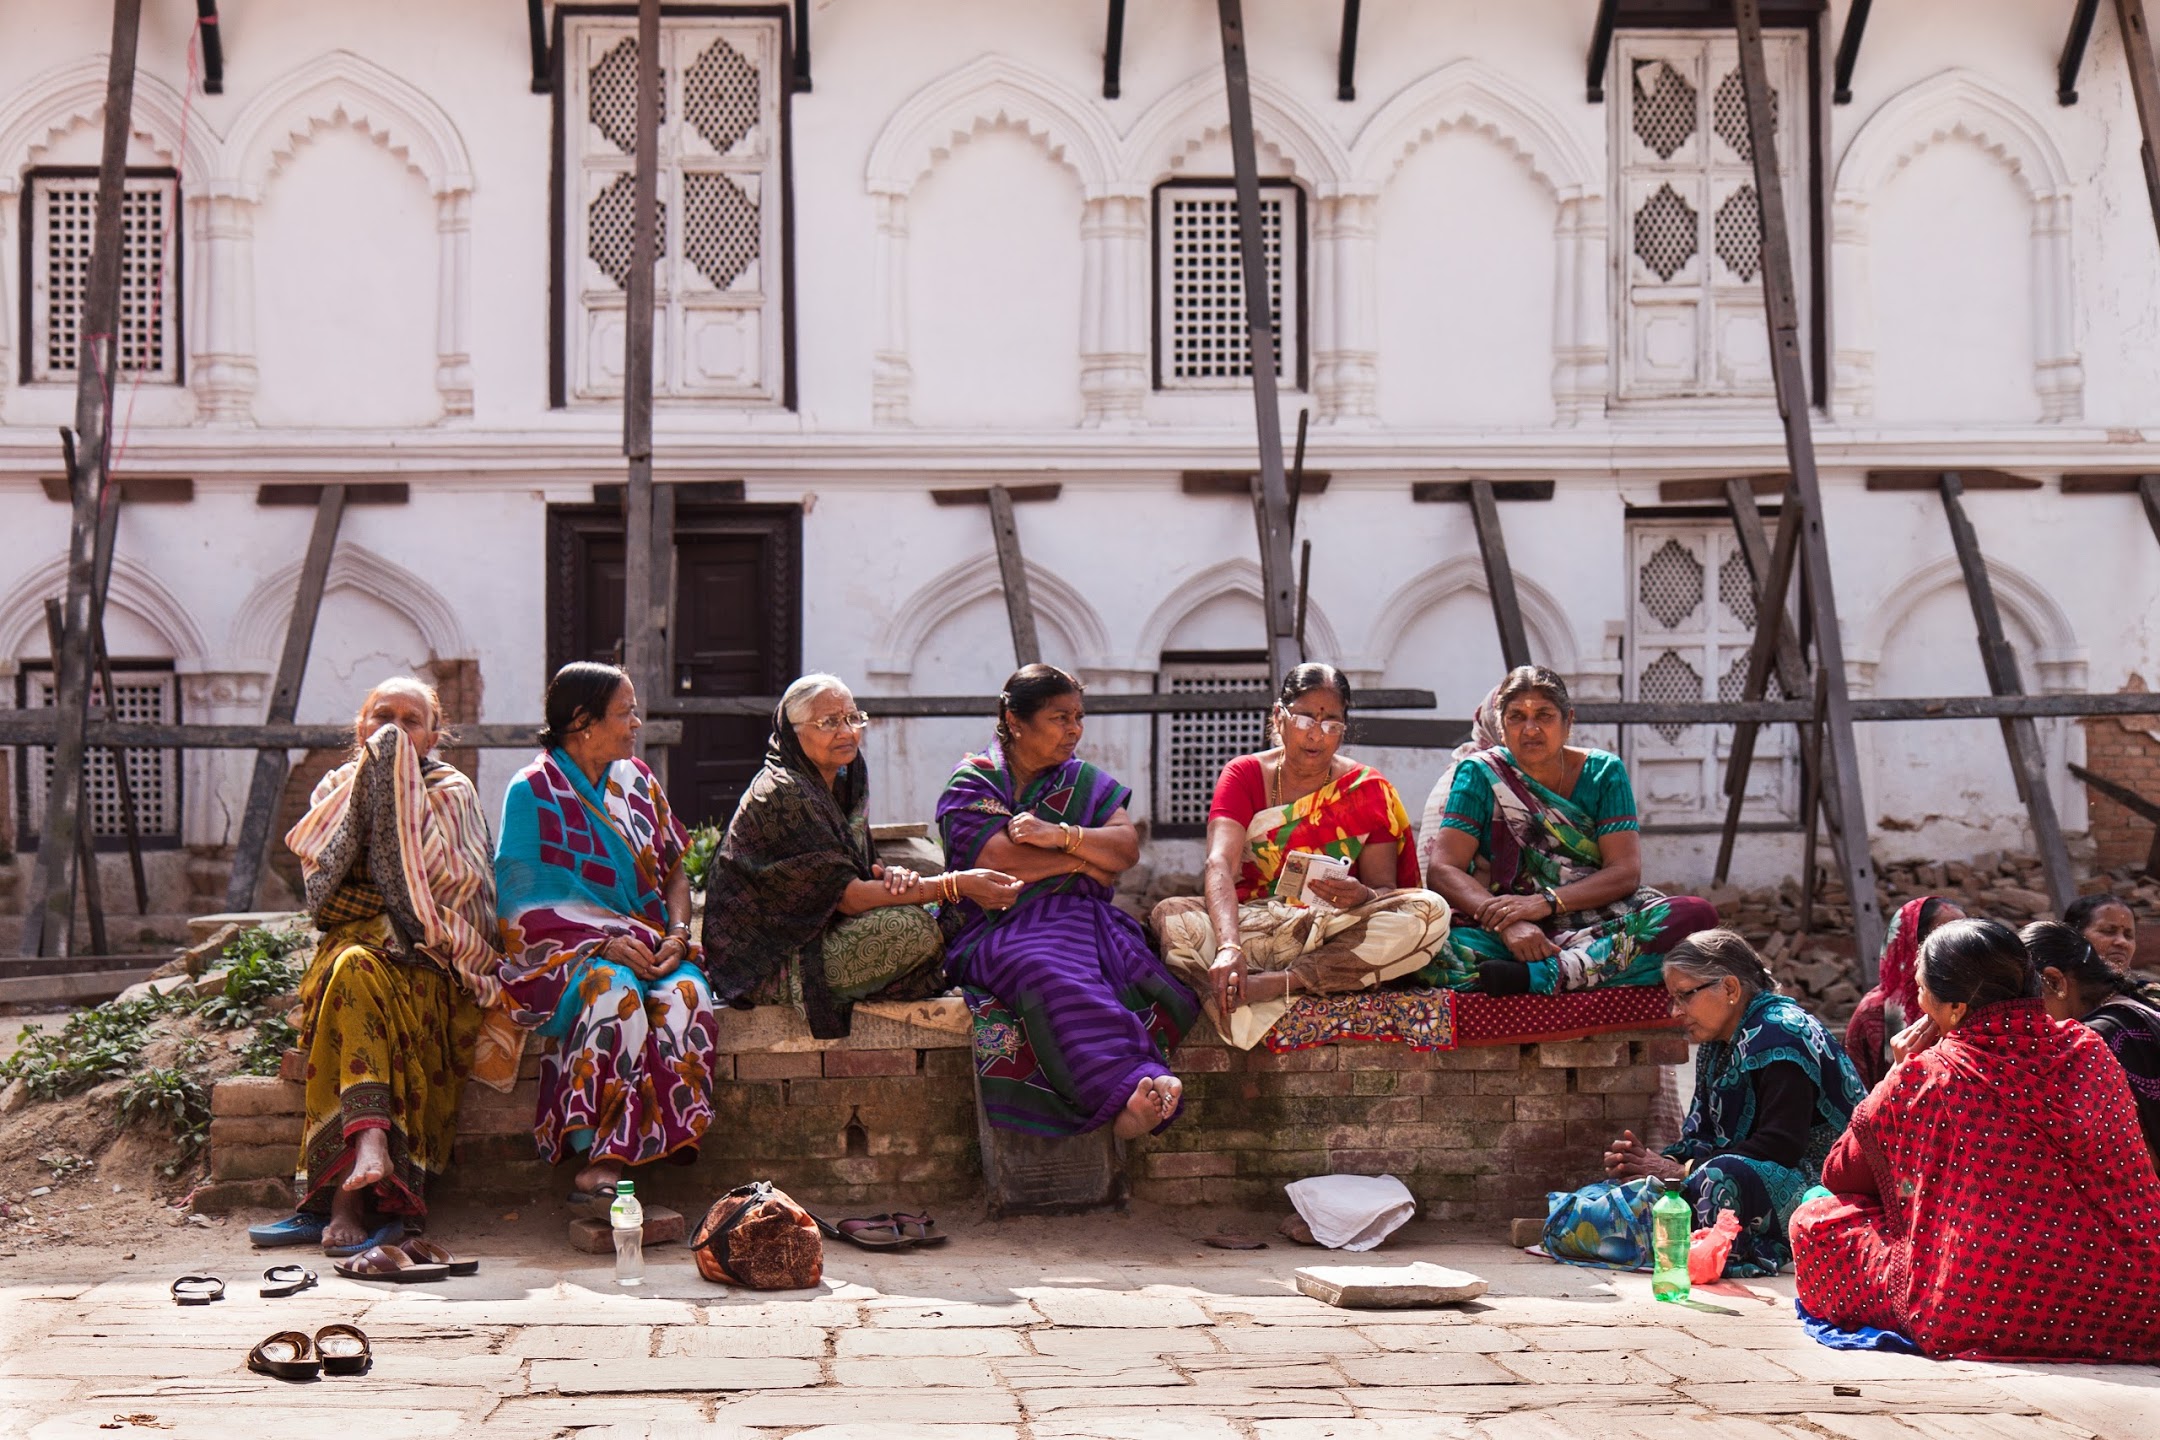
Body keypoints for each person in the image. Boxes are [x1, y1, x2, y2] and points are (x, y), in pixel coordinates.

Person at [1792, 918, 2160, 1361]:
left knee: (1816, 1218)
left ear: (1956, 1010)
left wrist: (1897, 1073)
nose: (1920, 1004)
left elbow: (1840, 1174)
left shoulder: (1927, 1073)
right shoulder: (2087, 1047)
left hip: (1979, 1302)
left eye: (1923, 991)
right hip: (2132, 1298)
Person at [258, 677, 517, 1255]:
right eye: (383, 717)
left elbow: (462, 887)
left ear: (434, 736)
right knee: (353, 970)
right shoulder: (334, 790)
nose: (395, 730)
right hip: (354, 957)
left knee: (354, 984)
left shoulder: (453, 793)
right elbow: (326, 895)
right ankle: (368, 1163)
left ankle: (340, 1198)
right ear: (360, 728)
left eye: (412, 720)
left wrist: (396, 844)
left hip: (431, 965)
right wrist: (396, 886)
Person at [936, 664, 1200, 1139]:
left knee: (1124, 971)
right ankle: (1123, 1091)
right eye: (1060, 718)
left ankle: (1136, 1087)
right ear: (1016, 720)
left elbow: (1124, 849)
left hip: (1079, 917)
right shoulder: (975, 780)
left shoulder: (1082, 780)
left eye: (1079, 717)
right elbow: (997, 859)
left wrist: (1057, 834)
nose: (1074, 729)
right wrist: (1083, 862)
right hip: (998, 926)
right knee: (1045, 969)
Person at [495, 662, 714, 1205]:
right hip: (572, 954)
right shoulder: (532, 792)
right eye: (625, 712)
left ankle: (665, 1138)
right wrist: (599, 943)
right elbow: (524, 902)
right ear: (583, 722)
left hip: (652, 942)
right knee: (615, 993)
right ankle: (604, 1156)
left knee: (686, 995)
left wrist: (679, 934)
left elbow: (674, 870)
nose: (636, 722)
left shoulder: (637, 780)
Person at [702, 673, 1023, 1035]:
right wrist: (954, 884)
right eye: (829, 722)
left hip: (825, 927)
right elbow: (850, 897)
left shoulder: (842, 778)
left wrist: (888, 875)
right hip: (774, 958)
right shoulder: (782, 791)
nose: (847, 731)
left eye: (853, 718)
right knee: (913, 929)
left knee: (944, 916)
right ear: (794, 732)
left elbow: (855, 869)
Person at [1152, 663, 1450, 1048]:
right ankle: (1263, 975)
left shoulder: (1368, 788)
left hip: (1330, 929)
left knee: (1429, 912)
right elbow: (1218, 864)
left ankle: (1276, 985)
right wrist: (1229, 945)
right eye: (1306, 718)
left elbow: (1383, 890)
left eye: (1332, 725)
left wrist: (1363, 897)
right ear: (1280, 717)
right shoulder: (1243, 774)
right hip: (1253, 928)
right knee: (1170, 918)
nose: (1317, 735)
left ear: (1344, 729)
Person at [1418, 666, 1717, 994]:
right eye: (1517, 717)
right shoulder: (1478, 773)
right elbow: (1444, 868)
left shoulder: (1604, 772)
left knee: (1694, 917)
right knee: (1428, 951)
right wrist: (1510, 923)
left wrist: (1545, 902)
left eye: (1544, 715)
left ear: (1568, 721)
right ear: (1502, 728)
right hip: (1509, 926)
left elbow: (1624, 872)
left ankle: (1540, 975)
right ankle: (1584, 971)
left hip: (1597, 916)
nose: (1530, 729)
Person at [1593, 930, 1862, 1276]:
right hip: (1756, 1171)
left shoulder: (1783, 1032)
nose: (1676, 1011)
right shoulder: (1717, 1042)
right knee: (1649, 1187)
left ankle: (1711, 1249)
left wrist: (1681, 1172)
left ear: (1731, 989)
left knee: (1719, 1178)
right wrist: (1659, 1162)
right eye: (1673, 999)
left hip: (1822, 1185)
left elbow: (1781, 1145)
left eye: (1684, 996)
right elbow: (1702, 1132)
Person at [2028, 917, 2160, 1170]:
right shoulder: (2133, 1009)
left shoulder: (2092, 1040)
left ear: (2055, 981)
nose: (2028, 1017)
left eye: (2029, 997)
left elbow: (2136, 1153)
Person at [1844, 895, 1964, 1092]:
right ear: (1911, 942)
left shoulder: (1973, 1000)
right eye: (1945, 938)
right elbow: (1854, 1089)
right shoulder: (1874, 1012)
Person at [2066, 890, 2141, 974]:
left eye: (2128, 935)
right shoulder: (2053, 984)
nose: (2123, 941)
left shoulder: (2145, 986)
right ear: (2073, 937)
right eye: (2108, 931)